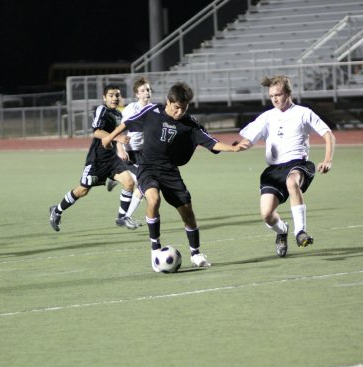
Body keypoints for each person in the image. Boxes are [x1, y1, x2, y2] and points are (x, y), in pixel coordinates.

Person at [102, 81, 249, 271]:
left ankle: (196, 253)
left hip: (170, 171)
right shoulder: (152, 111)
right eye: (177, 107)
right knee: (153, 200)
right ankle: (155, 248)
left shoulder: (189, 123)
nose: (180, 112)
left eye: (184, 108)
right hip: (147, 167)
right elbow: (127, 123)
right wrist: (110, 137)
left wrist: (233, 148)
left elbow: (211, 142)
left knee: (188, 213)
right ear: (168, 102)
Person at [238, 74, 335, 257]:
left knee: (292, 182)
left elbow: (328, 134)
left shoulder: (303, 113)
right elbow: (248, 140)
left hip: (297, 164)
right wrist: (234, 147)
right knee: (267, 215)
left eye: (279, 94)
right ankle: (282, 231)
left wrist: (327, 159)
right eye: (272, 96)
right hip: (274, 171)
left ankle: (300, 232)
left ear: (288, 93)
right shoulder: (267, 117)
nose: (275, 99)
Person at [48, 84, 139, 232]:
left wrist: (120, 149)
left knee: (129, 182)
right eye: (111, 95)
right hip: (97, 160)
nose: (115, 98)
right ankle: (56, 210)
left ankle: (121, 217)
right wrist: (118, 138)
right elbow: (97, 132)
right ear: (104, 97)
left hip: (112, 159)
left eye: (117, 95)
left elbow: (115, 139)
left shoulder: (118, 115)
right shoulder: (101, 110)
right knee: (83, 190)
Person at [105, 77, 153, 224]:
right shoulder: (132, 109)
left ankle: (124, 216)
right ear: (137, 94)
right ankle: (125, 218)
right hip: (130, 152)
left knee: (145, 184)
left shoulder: (153, 109)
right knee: (145, 183)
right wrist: (120, 149)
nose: (146, 93)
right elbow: (118, 129)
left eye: (148, 90)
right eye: (143, 90)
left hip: (144, 153)